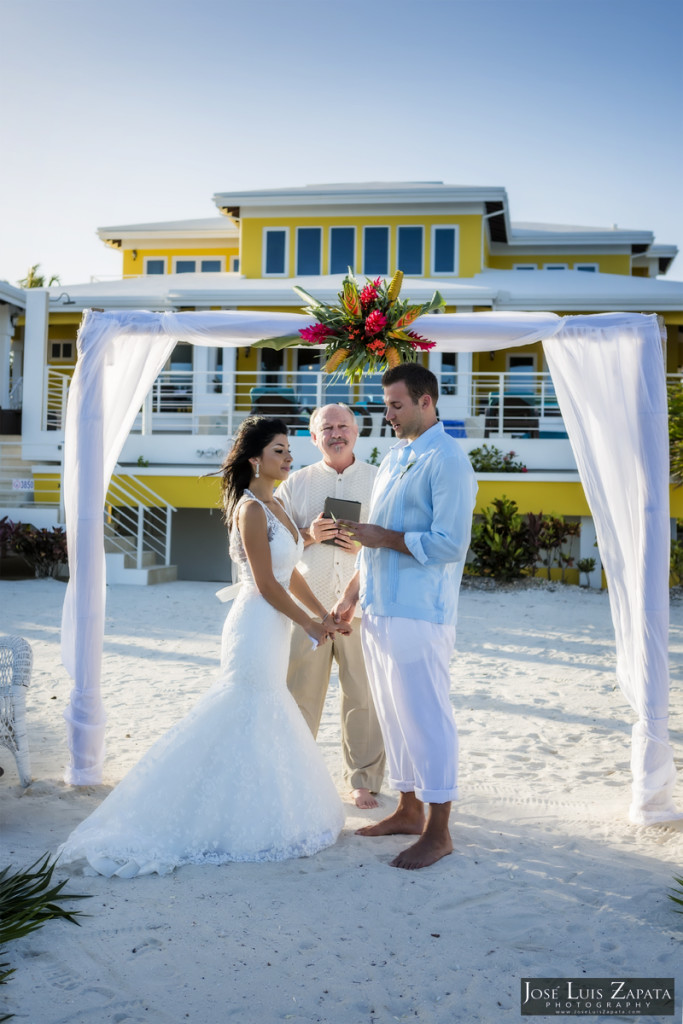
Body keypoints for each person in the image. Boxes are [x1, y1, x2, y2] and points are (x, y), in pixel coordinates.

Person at [58, 417, 347, 876]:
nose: (289, 456)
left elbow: (293, 573)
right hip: (254, 624)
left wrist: (325, 613)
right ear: (255, 459)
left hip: (275, 625)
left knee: (264, 714)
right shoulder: (251, 509)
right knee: (244, 709)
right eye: (279, 450)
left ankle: (251, 808)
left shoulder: (279, 508)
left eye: (289, 449)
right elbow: (267, 584)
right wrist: (311, 624)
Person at [333, 364, 477, 870]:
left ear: (426, 402)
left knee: (427, 717)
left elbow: (448, 543)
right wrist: (352, 594)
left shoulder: (449, 461)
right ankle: (409, 810)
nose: (387, 414)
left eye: (396, 405)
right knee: (394, 716)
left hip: (420, 611)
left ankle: (439, 831)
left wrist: (382, 538)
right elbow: (372, 539)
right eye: (387, 405)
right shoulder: (396, 456)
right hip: (378, 607)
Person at [276, 404, 385, 809]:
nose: (336, 433)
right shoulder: (295, 484)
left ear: (356, 431)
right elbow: (275, 548)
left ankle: (363, 780)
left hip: (363, 606)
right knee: (300, 692)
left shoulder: (379, 480)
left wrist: (365, 541)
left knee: (363, 695)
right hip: (309, 610)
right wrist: (308, 533)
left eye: (343, 426)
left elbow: (392, 540)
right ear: (313, 435)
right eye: (327, 427)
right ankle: (296, 773)